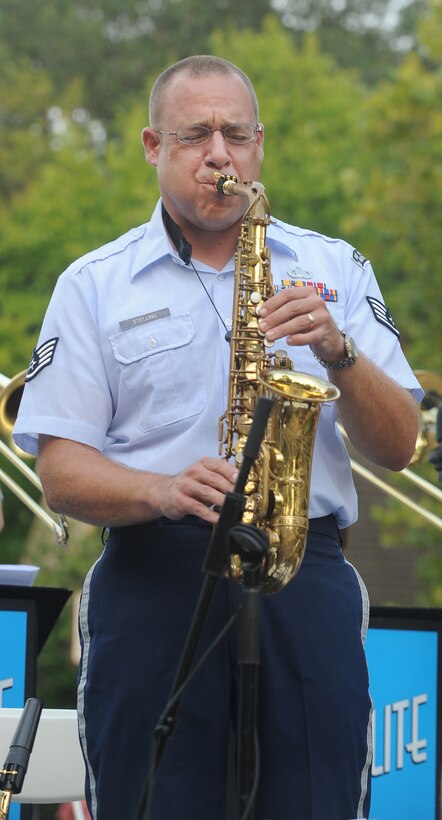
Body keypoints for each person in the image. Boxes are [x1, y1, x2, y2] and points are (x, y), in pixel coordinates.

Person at [13, 55, 422, 820]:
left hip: (305, 565)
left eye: (236, 134)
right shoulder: (92, 284)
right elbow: (62, 473)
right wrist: (159, 489)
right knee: (152, 800)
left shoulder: (336, 266)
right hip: (156, 570)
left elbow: (399, 445)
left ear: (259, 145)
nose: (219, 155)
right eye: (196, 134)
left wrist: (340, 351)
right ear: (152, 146)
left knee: (317, 801)